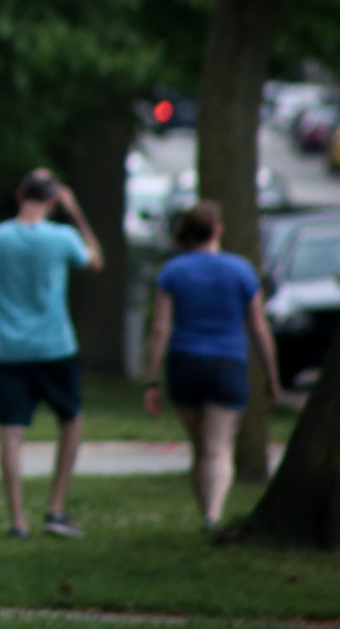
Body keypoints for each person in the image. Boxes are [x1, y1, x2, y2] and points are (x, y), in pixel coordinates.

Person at [0, 168, 103, 539]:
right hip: (56, 347)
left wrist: (2, 287)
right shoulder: (63, 237)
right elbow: (95, 260)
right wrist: (76, 213)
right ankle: (55, 509)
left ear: (19, 194)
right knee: (70, 421)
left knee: (11, 432)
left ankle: (17, 520)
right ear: (53, 201)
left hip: (8, 349)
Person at [142, 200, 281, 531]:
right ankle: (213, 514)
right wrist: (271, 374)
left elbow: (160, 328)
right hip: (227, 363)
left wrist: (151, 380)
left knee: (200, 447)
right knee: (219, 447)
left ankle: (206, 509)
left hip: (185, 363)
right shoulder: (242, 270)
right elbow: (259, 327)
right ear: (218, 230)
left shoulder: (173, 271)